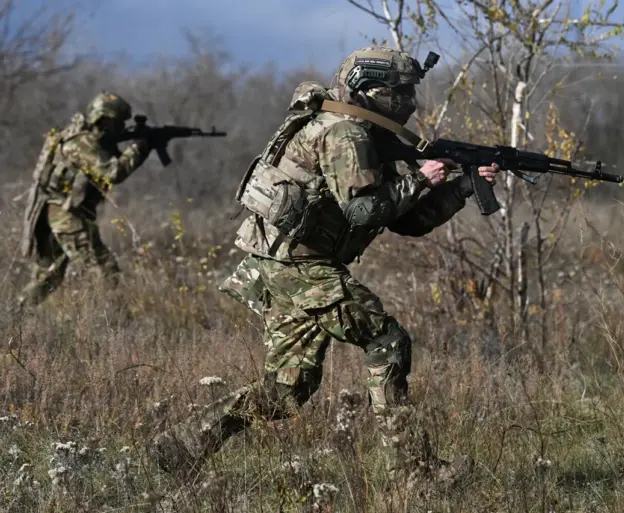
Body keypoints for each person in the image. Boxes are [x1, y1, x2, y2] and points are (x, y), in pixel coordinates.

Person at [148, 46, 501, 489]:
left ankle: (181, 444)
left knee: (285, 391)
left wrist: (461, 187)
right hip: (298, 263)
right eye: (402, 92)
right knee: (386, 340)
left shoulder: (363, 132)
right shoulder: (344, 133)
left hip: (286, 262)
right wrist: (421, 178)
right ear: (371, 90)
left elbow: (406, 221)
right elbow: (365, 212)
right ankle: (414, 473)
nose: (410, 101)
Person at [16, 92, 150, 310]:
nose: (121, 127)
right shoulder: (81, 142)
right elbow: (114, 172)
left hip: (54, 212)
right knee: (104, 268)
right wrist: (139, 148)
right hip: (65, 214)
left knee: (50, 274)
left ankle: (16, 316)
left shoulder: (84, 139)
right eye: (117, 122)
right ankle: (115, 321)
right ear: (104, 119)